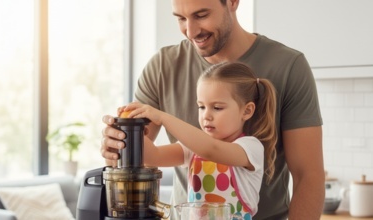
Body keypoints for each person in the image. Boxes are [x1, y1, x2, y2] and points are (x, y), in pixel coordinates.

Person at [101, 0, 325, 219]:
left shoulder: (287, 66)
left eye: (201, 15)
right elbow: (146, 157)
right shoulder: (162, 65)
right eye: (180, 18)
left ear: (233, 2)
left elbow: (308, 176)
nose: (190, 31)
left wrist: (163, 118)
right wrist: (119, 142)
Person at [119, 62, 277, 218]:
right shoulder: (192, 148)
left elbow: (211, 150)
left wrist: (163, 117)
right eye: (201, 107)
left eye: (217, 108)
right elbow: (153, 156)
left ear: (247, 111)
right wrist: (130, 130)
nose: (206, 115)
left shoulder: (250, 148)